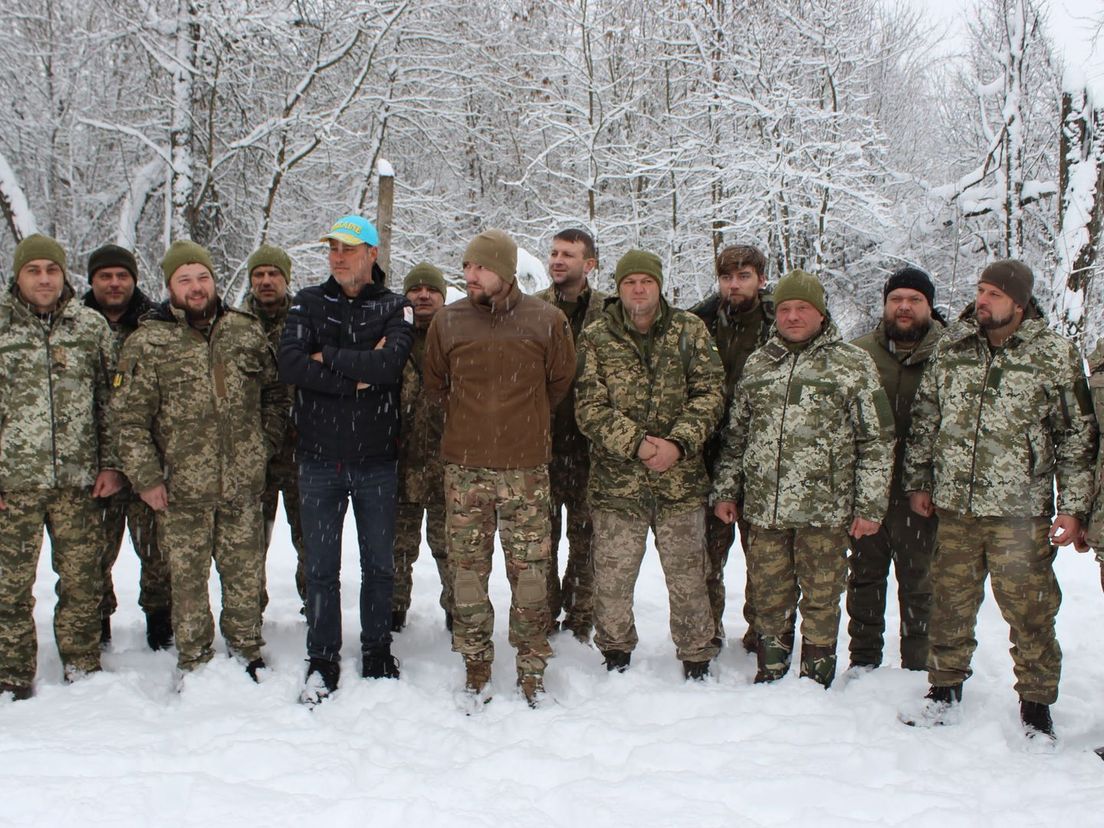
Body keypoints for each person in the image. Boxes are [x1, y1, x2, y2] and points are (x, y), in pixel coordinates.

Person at [899, 260, 1096, 741]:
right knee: (949, 603)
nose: (982, 300)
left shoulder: (1053, 354)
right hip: (956, 508)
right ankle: (943, 693)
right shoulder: (954, 347)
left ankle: (1036, 706)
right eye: (980, 290)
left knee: (1030, 610)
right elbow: (927, 419)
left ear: (1019, 303)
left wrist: (1072, 507)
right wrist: (919, 481)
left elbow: (1076, 436)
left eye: (994, 293)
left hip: (1019, 512)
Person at [111, 240, 285, 684]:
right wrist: (147, 478)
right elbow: (129, 421)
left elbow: (275, 394)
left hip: (242, 485)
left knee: (246, 574)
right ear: (169, 285)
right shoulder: (149, 342)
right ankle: (194, 658)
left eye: (202, 277)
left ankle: (246, 648)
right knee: (187, 583)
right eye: (184, 279)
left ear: (213, 280)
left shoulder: (243, 331)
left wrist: (262, 446)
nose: (196, 286)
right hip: (180, 489)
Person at [712, 269, 893, 688]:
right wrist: (726, 490)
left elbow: (877, 440)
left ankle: (815, 677)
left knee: (822, 597)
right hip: (765, 509)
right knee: (769, 596)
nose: (793, 317)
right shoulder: (760, 364)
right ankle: (771, 671)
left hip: (825, 511)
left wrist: (870, 507)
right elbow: (736, 435)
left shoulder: (850, 364)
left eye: (802, 309)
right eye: (786, 309)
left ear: (820, 313)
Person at [424, 229, 575, 707]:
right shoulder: (448, 323)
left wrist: (517, 424)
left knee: (530, 572)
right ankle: (475, 661)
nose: (470, 276)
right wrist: (476, 424)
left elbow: (558, 382)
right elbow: (437, 385)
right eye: (467, 266)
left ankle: (532, 664)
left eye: (481, 267)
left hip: (525, 470)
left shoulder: (546, 321)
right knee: (467, 572)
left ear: (506, 272)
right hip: (464, 471)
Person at [279, 215, 413, 705]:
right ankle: (322, 657)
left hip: (376, 459)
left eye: (349, 249)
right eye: (333, 248)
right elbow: (291, 364)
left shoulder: (395, 306)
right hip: (319, 459)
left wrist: (326, 357)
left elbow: (390, 365)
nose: (338, 257)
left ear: (371, 254)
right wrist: (355, 373)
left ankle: (377, 649)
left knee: (379, 565)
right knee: (321, 568)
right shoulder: (307, 303)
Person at [575, 249, 724, 679]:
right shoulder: (597, 336)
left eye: (646, 281)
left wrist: (678, 443)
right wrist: (639, 445)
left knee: (689, 576)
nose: (638, 290)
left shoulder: (690, 331)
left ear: (659, 285)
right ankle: (616, 651)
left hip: (680, 483)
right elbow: (589, 406)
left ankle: (696, 655)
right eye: (629, 283)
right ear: (618, 288)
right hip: (617, 485)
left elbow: (711, 392)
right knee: (613, 578)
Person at [0, 234, 121, 699]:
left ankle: (81, 662)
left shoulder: (88, 327)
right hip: (16, 482)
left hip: (78, 482)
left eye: (52, 270)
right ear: (19, 275)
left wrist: (110, 463)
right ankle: (12, 672)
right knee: (9, 586)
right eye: (34, 271)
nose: (44, 279)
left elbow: (110, 401)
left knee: (81, 580)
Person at [846, 267, 945, 671]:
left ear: (929, 307)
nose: (904, 307)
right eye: (896, 299)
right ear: (885, 304)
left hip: (924, 493)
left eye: (914, 300)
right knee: (865, 579)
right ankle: (864, 661)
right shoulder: (857, 354)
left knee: (920, 584)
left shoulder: (951, 354)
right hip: (868, 491)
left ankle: (918, 666)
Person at [83, 243, 173, 650]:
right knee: (92, 555)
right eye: (106, 276)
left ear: (134, 280)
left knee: (157, 553)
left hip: (149, 463)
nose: (115, 283)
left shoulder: (156, 325)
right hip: (92, 466)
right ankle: (97, 622)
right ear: (92, 281)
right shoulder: (78, 326)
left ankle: (160, 623)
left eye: (122, 276)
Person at [690, 243, 774, 652]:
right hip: (708, 454)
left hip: (764, 457)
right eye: (727, 277)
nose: (734, 285)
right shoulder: (698, 321)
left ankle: (761, 630)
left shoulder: (782, 322)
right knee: (707, 556)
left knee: (763, 558)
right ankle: (707, 630)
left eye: (743, 276)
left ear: (761, 278)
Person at [535, 228, 607, 641]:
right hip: (542, 447)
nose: (558, 260)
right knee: (540, 543)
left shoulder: (608, 313)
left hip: (591, 452)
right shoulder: (532, 310)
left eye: (568, 255)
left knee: (587, 543)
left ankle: (581, 621)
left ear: (589, 264)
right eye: (554, 253)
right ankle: (543, 616)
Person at [241, 244, 306, 611]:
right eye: (259, 275)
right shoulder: (234, 324)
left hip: (302, 451)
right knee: (250, 544)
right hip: (253, 454)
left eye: (274, 274)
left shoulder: (306, 321)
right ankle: (250, 614)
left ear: (286, 278)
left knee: (311, 542)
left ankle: (314, 610)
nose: (266, 281)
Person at [392, 262, 450, 633]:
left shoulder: (459, 338)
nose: (423, 295)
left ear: (443, 297)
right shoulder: (389, 338)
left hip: (451, 469)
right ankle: (393, 613)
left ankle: (460, 616)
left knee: (455, 552)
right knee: (396, 550)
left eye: (431, 289)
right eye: (416, 289)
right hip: (398, 467)